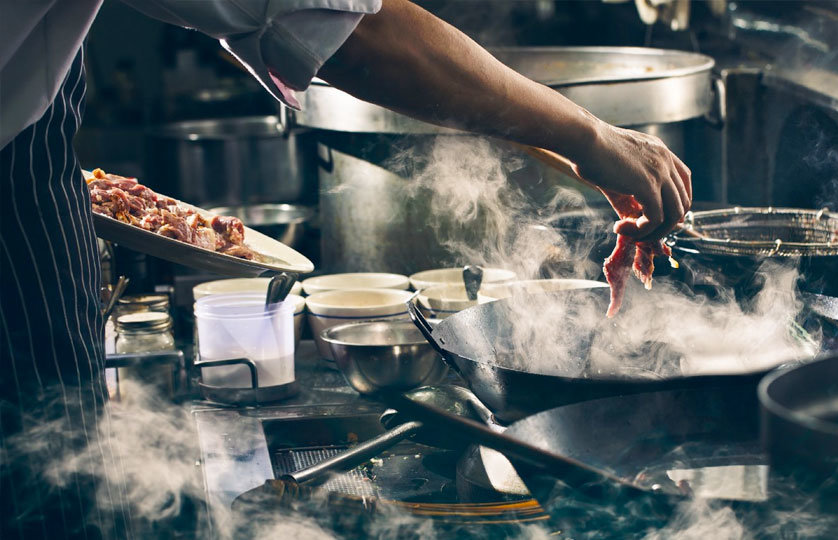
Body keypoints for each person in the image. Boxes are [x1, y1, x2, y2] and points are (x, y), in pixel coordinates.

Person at [0, 0, 691, 537]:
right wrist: (588, 133)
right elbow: (353, 32)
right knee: (34, 495)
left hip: (31, 153)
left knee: (51, 469)